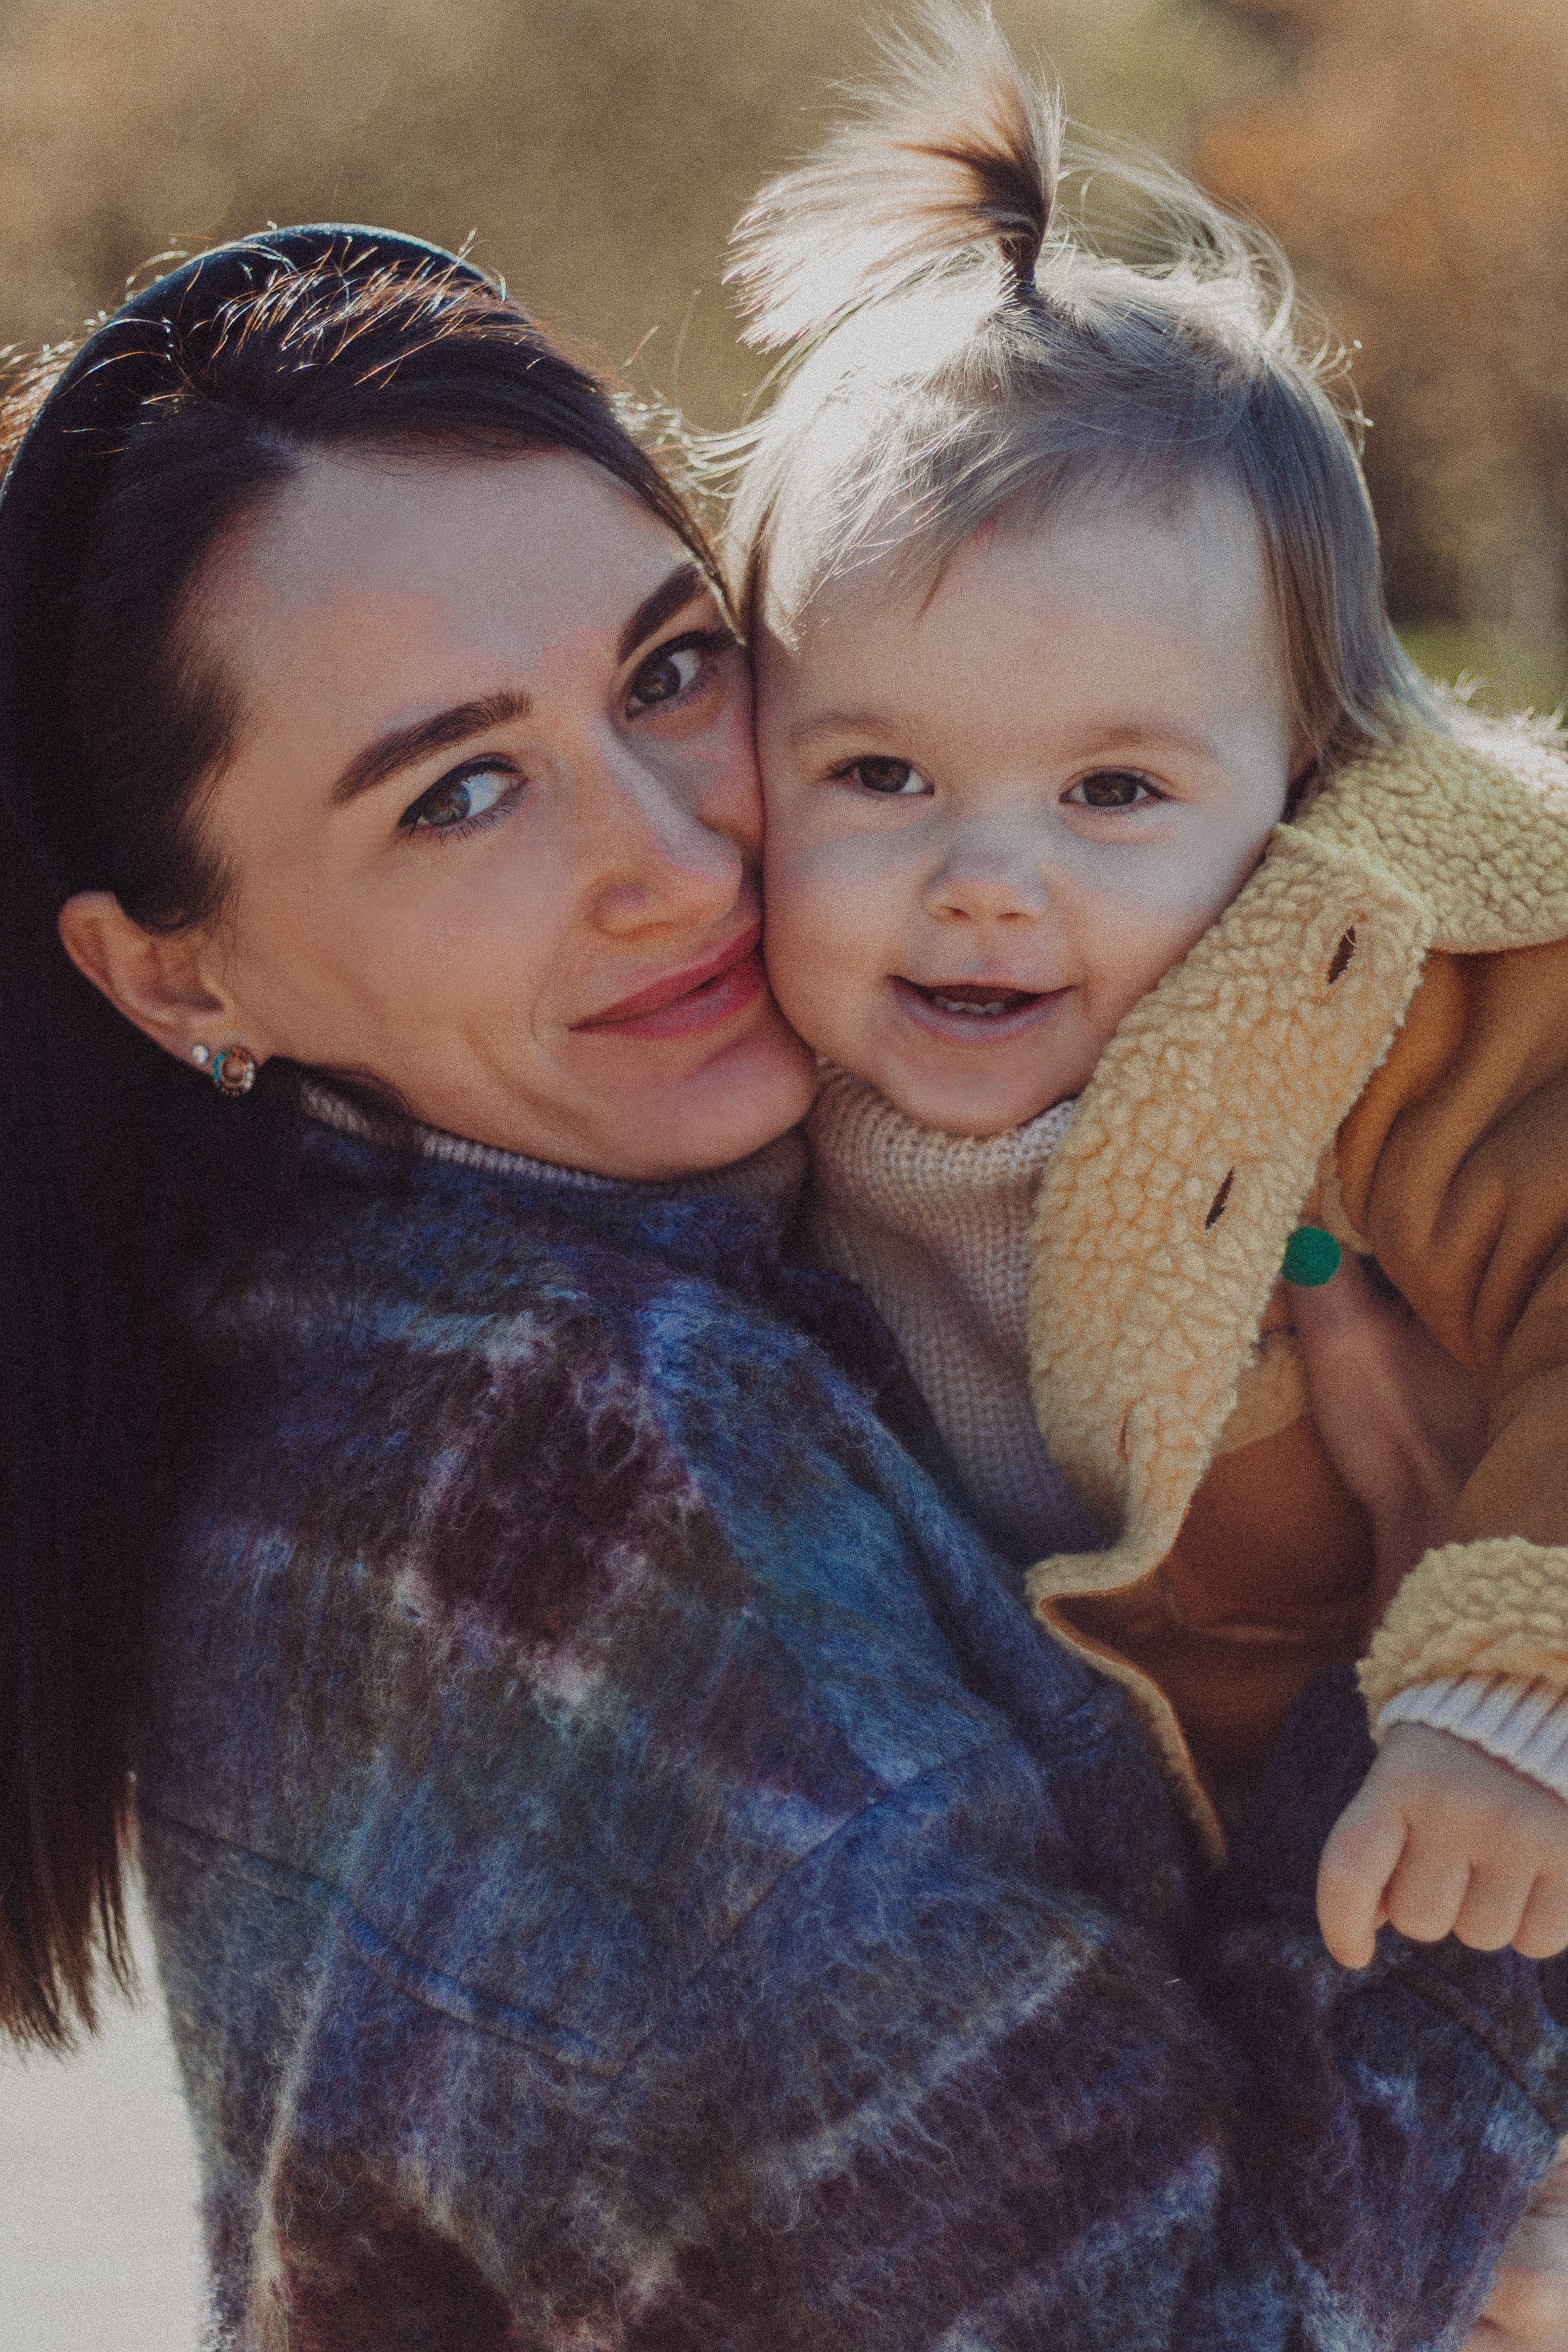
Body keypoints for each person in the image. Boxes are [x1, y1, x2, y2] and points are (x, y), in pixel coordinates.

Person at [0, 227, 1563, 2351]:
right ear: (178, 972)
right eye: (461, 791)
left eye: (667, 672)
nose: (673, 846)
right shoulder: (587, 1464)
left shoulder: (385, 1312)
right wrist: (1439, 1668)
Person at [728, 0, 1568, 1978]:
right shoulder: (732, 1092)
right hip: (1135, 1897)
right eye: (879, 775)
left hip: (1462, 1809)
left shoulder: (1385, 1019)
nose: (984, 885)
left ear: (1306, 779)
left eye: (1114, 790)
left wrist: (1516, 1696)